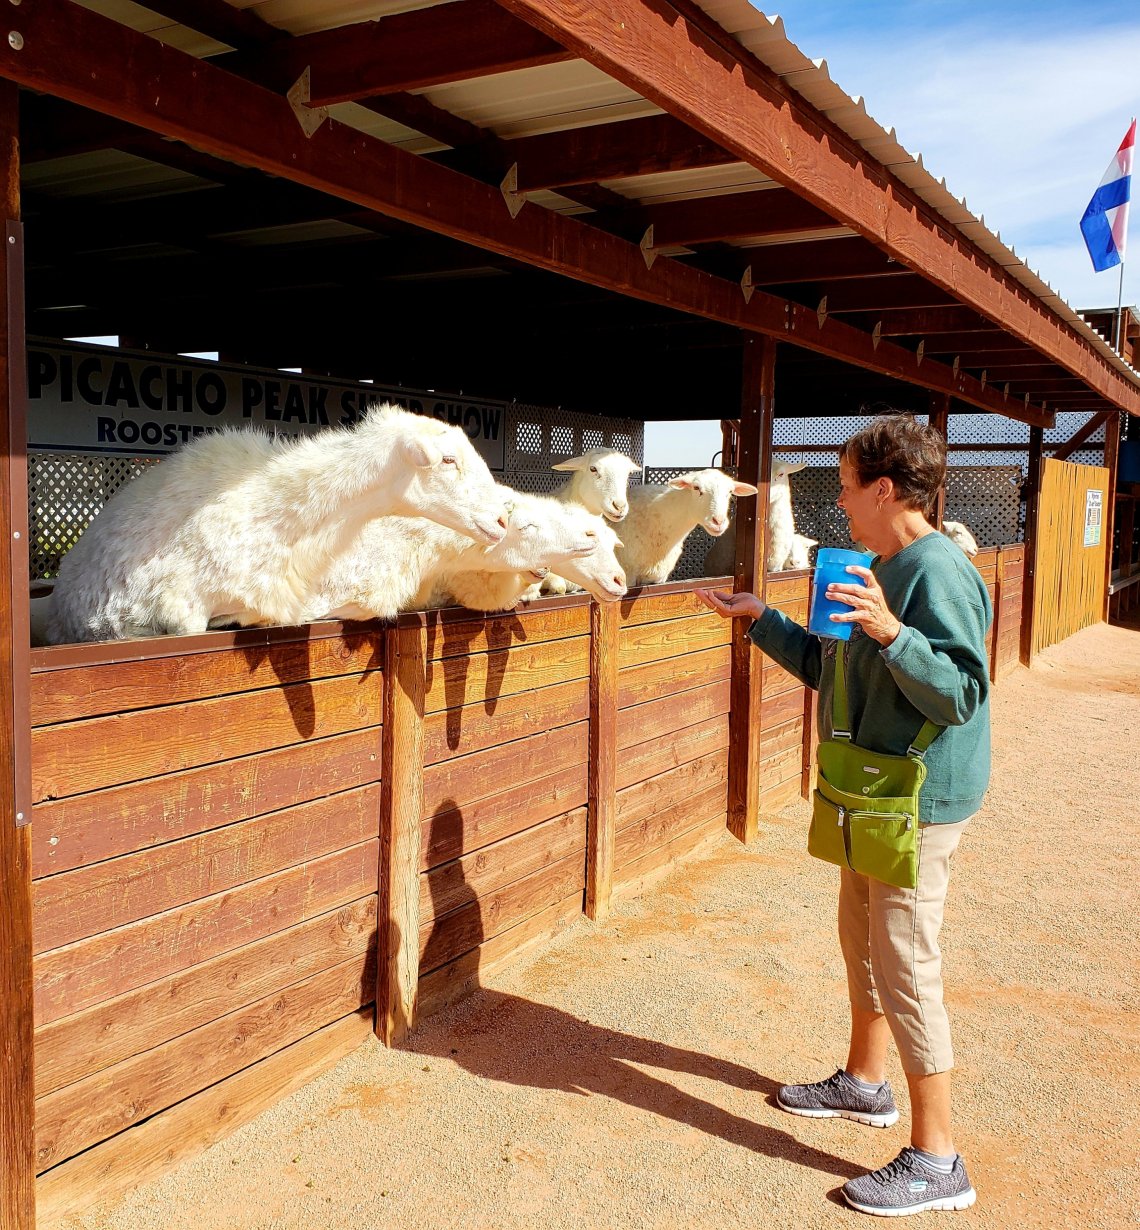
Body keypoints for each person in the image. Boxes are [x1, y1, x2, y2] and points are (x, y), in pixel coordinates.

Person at [697, 414, 991, 1217]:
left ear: (884, 489)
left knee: (905, 960)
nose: (839, 499)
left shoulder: (937, 571)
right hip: (872, 790)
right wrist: (762, 620)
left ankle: (939, 1159)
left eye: (847, 484)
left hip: (915, 799)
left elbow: (962, 693)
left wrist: (893, 633)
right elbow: (831, 669)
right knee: (861, 936)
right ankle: (864, 1082)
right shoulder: (876, 565)